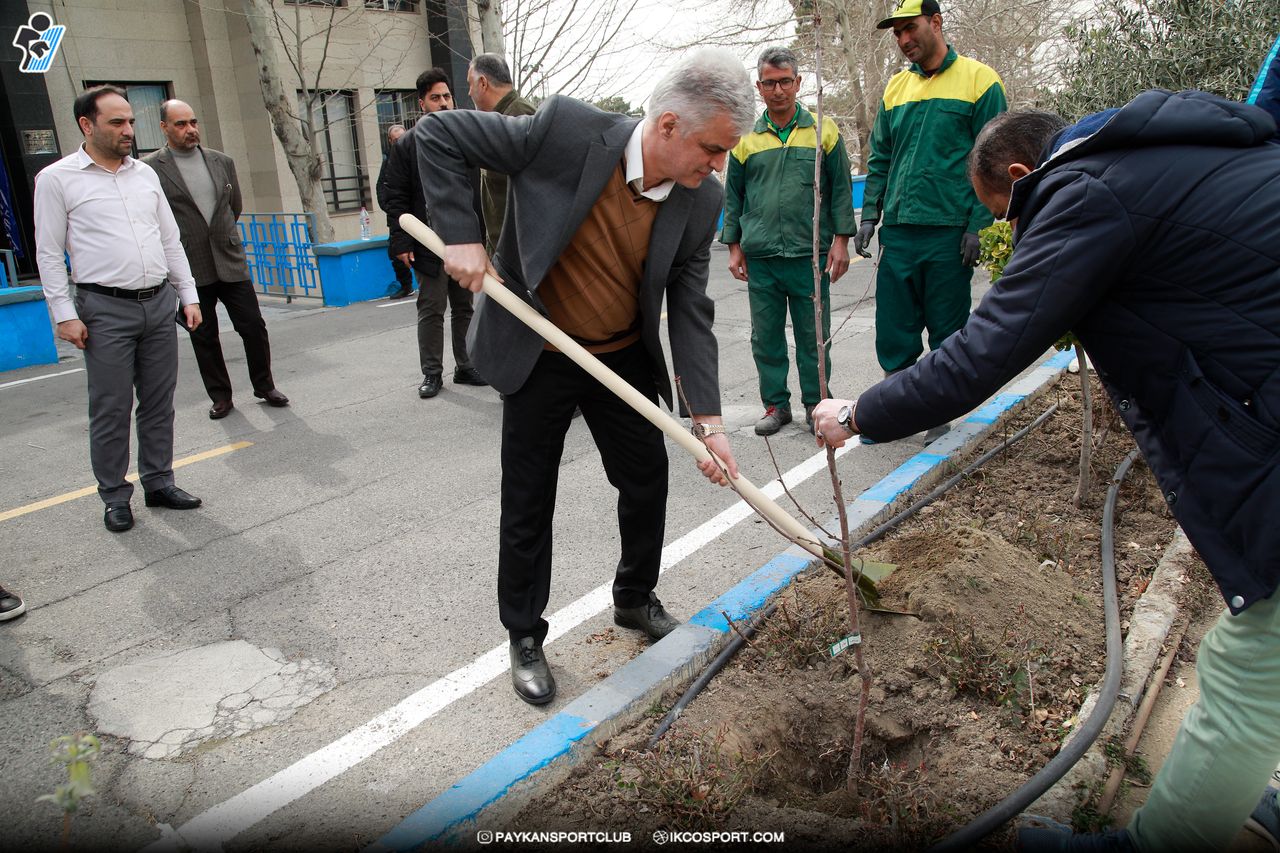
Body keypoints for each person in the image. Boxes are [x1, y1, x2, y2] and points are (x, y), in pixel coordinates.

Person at [812, 90, 1280, 852]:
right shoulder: (1168, 156)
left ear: (1025, 173)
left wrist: (860, 413)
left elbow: (983, 351)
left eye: (1003, 216)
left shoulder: (1084, 192)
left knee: (1249, 663)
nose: (1010, 234)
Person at [419, 47, 753, 705]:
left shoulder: (701, 199)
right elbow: (438, 135)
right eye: (712, 148)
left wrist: (707, 420)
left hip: (619, 351)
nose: (718, 166)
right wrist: (459, 234)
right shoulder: (565, 131)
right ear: (666, 128)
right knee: (528, 498)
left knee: (646, 478)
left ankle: (633, 595)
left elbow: (689, 309)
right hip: (539, 345)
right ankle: (524, 635)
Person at [34, 86, 204, 532]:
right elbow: (49, 253)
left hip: (158, 304)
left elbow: (170, 239)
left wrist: (188, 295)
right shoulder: (57, 179)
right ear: (87, 125)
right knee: (110, 408)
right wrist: (63, 314)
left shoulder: (145, 175)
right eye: (117, 123)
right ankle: (114, 495)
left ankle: (159, 481)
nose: (129, 130)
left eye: (130, 121)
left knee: (158, 402)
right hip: (104, 309)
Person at [853, 0, 1006, 444]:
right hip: (899, 229)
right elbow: (880, 156)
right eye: (897, 33)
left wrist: (980, 223)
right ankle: (893, 414)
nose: (903, 40)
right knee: (894, 327)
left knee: (946, 327)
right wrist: (871, 216)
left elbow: (994, 158)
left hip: (948, 229)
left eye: (910, 28)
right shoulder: (895, 89)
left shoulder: (980, 81)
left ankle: (937, 413)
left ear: (936, 22)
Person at [721, 46, 855, 437]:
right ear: (758, 87)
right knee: (766, 338)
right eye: (769, 83)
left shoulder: (822, 130)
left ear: (797, 83)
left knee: (814, 337)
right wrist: (734, 246)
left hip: (808, 254)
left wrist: (841, 240)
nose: (777, 90)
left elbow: (841, 190)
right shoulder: (746, 137)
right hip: (761, 255)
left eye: (784, 82)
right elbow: (733, 195)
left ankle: (818, 406)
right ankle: (776, 406)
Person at [143, 100, 289, 420]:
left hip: (230, 259)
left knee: (253, 326)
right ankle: (221, 396)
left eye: (193, 122)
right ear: (164, 127)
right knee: (204, 335)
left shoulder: (221, 161)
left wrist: (221, 234)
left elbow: (233, 206)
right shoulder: (149, 168)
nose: (190, 129)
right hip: (189, 265)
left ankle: (264, 386)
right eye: (180, 124)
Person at [383, 68, 488, 399]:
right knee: (431, 308)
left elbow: (478, 190)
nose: (443, 103)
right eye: (435, 98)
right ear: (422, 103)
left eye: (447, 96)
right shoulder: (407, 145)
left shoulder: (463, 136)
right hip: (427, 243)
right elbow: (394, 197)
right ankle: (432, 373)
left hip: (464, 239)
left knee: (465, 306)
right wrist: (401, 241)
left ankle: (467, 365)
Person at [466, 53, 537, 253]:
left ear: (482, 83)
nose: (469, 92)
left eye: (470, 84)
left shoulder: (520, 117)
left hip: (521, 252)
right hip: (503, 248)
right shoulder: (498, 120)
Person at [377, 123, 415, 299]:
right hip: (398, 217)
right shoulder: (388, 163)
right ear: (390, 141)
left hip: (418, 215)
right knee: (396, 253)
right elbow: (383, 190)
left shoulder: (416, 154)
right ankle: (406, 285)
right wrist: (391, 207)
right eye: (396, 140)